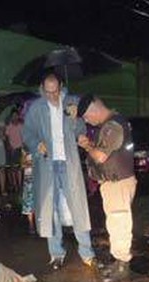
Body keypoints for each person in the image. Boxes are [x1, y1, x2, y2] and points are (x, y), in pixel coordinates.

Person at [22, 73, 97, 270]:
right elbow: (27, 133)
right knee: (50, 210)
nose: (52, 97)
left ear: (61, 86)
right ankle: (56, 253)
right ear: (42, 89)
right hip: (47, 165)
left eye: (55, 92)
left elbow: (82, 127)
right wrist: (36, 144)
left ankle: (87, 253)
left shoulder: (72, 102)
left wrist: (77, 124)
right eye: (48, 92)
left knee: (78, 207)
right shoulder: (36, 108)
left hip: (68, 163)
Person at [77, 94, 137, 282]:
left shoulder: (113, 125)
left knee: (120, 222)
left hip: (117, 181)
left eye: (87, 117)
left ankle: (123, 265)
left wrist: (87, 146)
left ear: (94, 110)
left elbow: (101, 156)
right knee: (116, 222)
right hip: (114, 181)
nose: (87, 121)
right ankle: (119, 261)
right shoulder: (112, 124)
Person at [5, 108, 24, 192]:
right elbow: (6, 137)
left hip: (20, 148)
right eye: (13, 115)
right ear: (11, 116)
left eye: (16, 115)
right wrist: (9, 146)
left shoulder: (21, 125)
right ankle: (14, 184)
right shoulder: (9, 126)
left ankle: (19, 184)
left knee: (19, 167)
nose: (15, 117)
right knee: (12, 167)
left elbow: (25, 137)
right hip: (12, 148)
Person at [21, 150, 36, 234]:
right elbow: (23, 165)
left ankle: (39, 223)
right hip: (28, 180)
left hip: (37, 177)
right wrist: (30, 163)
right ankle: (31, 224)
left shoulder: (39, 146)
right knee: (29, 203)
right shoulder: (24, 151)